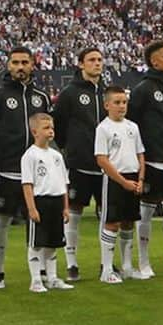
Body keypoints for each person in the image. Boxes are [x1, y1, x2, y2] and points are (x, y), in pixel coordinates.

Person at [0, 45, 51, 290]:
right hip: (7, 170)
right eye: (15, 63)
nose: (20, 67)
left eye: (24, 62)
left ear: (32, 65)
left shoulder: (41, 98)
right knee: (2, 222)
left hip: (37, 174)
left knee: (38, 222)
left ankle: (41, 273)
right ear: (8, 66)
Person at [127, 40, 163, 277]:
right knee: (145, 214)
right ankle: (143, 261)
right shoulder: (143, 89)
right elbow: (132, 123)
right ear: (154, 61)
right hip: (151, 161)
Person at [53, 47, 107, 281]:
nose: (97, 63)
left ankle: (107, 263)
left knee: (108, 215)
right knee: (73, 212)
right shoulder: (70, 93)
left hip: (106, 166)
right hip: (79, 163)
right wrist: (72, 148)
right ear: (81, 64)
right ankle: (71, 263)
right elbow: (59, 126)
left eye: (99, 59)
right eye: (92, 60)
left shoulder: (107, 92)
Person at [93, 85, 145, 284]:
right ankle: (107, 269)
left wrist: (140, 179)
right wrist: (123, 182)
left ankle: (127, 267)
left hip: (133, 178)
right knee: (112, 222)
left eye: (124, 102)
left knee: (128, 222)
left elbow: (140, 153)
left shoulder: (133, 127)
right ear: (107, 105)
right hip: (115, 180)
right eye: (117, 102)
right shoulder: (103, 128)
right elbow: (102, 159)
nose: (121, 106)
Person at [20, 113, 73, 293]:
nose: (50, 131)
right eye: (46, 128)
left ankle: (52, 278)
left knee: (53, 243)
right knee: (36, 243)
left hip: (56, 202)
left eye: (52, 128)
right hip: (40, 202)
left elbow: (64, 183)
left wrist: (65, 207)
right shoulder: (30, 156)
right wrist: (31, 208)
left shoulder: (57, 155)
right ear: (35, 131)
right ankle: (36, 280)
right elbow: (27, 184)